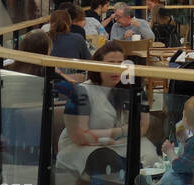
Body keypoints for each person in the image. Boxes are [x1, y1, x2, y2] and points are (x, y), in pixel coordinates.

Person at [56, 42, 160, 177]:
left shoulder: (134, 90)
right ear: (98, 66)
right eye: (111, 63)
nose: (116, 68)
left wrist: (119, 141)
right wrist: (121, 131)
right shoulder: (82, 92)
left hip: (120, 143)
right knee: (107, 160)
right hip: (82, 147)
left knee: (149, 155)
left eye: (120, 63)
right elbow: (78, 136)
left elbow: (142, 126)